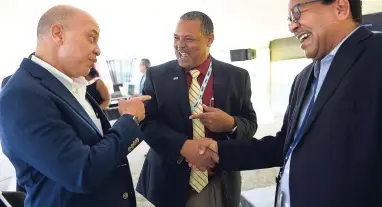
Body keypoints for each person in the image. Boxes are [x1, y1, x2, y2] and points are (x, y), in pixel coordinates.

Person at [193, 0, 382, 207]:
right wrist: (220, 151)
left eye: (298, 12)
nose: (292, 26)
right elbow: (285, 145)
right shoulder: (304, 77)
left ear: (340, 8)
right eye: (290, 19)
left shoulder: (376, 55)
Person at [0, 5, 150, 207]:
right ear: (58, 34)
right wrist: (128, 120)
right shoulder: (22, 96)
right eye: (91, 38)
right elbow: (82, 173)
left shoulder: (70, 86)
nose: (98, 49)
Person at [136, 11, 257, 207]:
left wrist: (231, 124)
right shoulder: (156, 76)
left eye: (189, 39)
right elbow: (147, 123)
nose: (180, 45)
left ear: (210, 39)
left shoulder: (237, 77)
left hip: (219, 179)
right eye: (176, 37)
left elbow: (250, 123)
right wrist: (184, 147)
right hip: (169, 178)